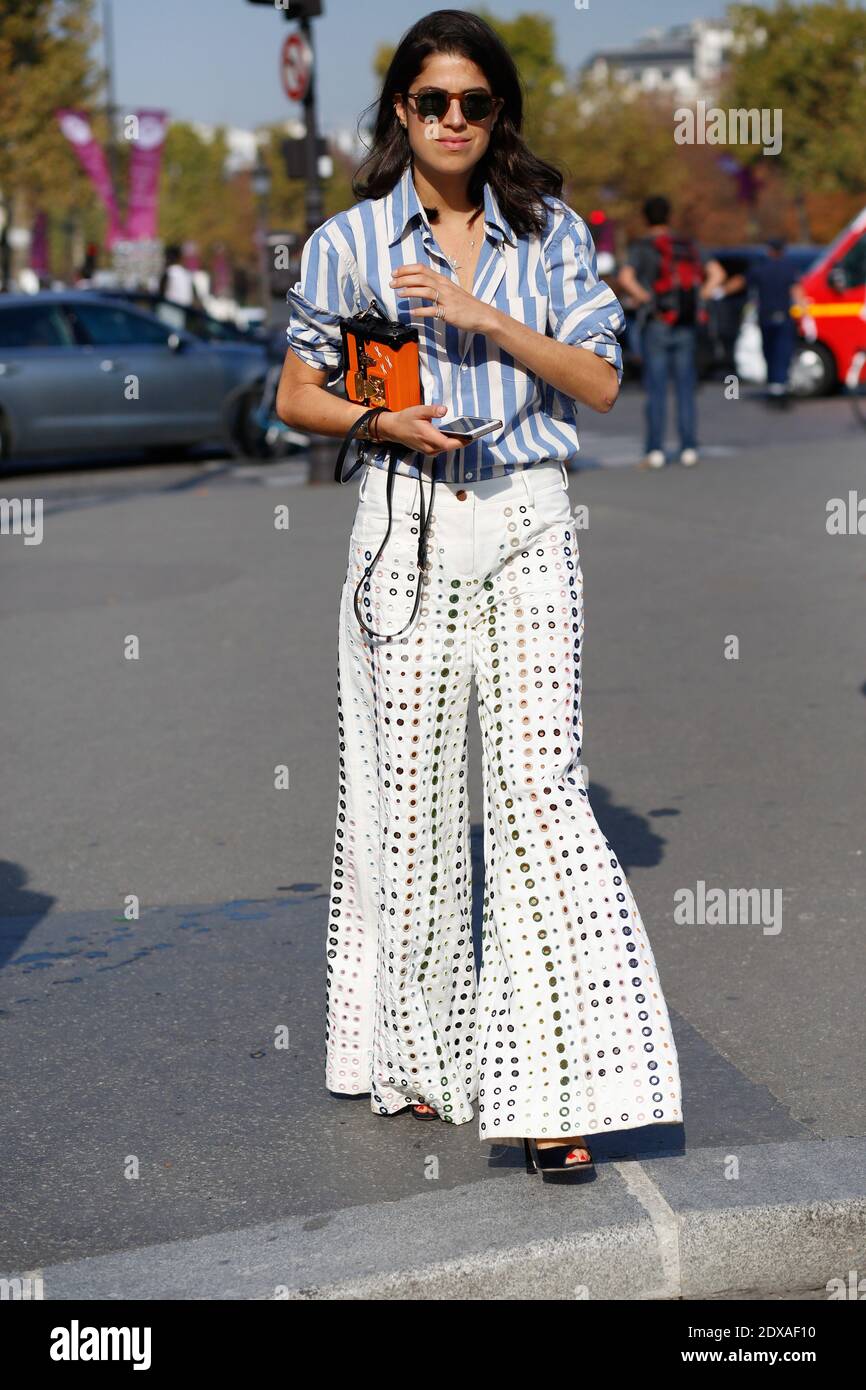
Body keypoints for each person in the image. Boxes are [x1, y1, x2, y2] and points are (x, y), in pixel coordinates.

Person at [277, 9, 683, 1178]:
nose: (452, 120)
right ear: (399, 112)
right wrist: (376, 414)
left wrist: (484, 316)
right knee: (405, 810)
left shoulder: (545, 237)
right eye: (429, 101)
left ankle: (559, 1088)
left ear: (496, 114)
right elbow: (295, 397)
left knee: (540, 791)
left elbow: (601, 381)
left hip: (525, 521)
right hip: (402, 531)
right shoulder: (349, 245)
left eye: (473, 102)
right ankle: (422, 1056)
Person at [618, 196, 726, 468]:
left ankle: (655, 449)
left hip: (656, 324)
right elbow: (718, 273)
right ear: (669, 216)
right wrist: (700, 296)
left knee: (656, 388)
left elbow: (625, 278)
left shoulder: (643, 247)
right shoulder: (687, 245)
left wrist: (646, 298)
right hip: (686, 324)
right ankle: (689, 446)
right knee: (685, 387)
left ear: (646, 217)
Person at [743, 238, 800, 407]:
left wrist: (722, 291)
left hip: (765, 317)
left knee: (769, 352)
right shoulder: (789, 269)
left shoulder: (760, 269)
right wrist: (805, 312)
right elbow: (797, 292)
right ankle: (780, 388)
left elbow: (744, 284)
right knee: (783, 353)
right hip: (784, 317)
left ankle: (773, 387)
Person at [159, 244, 199, 308]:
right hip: (185, 311)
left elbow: (160, 294)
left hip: (170, 310)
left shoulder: (169, 272)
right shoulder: (187, 274)